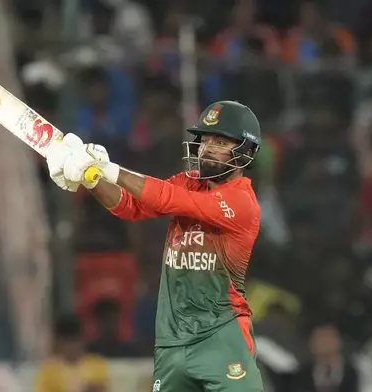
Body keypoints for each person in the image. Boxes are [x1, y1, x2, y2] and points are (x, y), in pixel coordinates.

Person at [47, 101, 264, 391]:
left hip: (221, 339)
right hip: (172, 343)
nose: (208, 148)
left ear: (245, 152)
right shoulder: (188, 182)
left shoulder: (242, 202)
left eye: (221, 142)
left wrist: (107, 168)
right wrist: (92, 177)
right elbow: (129, 206)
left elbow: (166, 199)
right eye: (206, 140)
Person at [35, 313, 109, 392]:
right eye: (67, 341)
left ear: (83, 339)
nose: (72, 345)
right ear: (58, 342)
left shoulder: (96, 363)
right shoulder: (49, 370)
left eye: (75, 340)